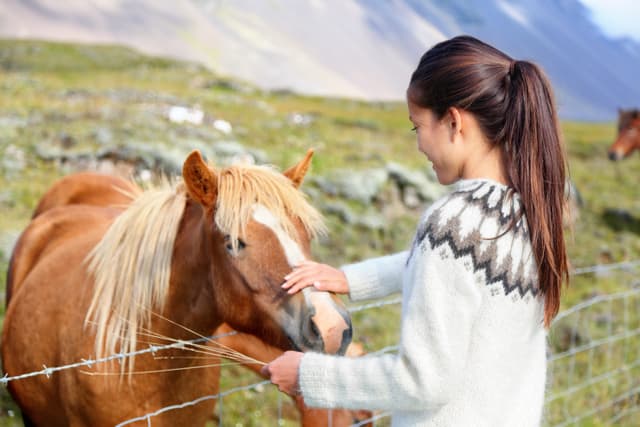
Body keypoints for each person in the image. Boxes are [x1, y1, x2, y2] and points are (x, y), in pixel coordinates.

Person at [262, 35, 569, 426]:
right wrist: (349, 279)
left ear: (454, 122)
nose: (420, 145)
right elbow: (458, 269)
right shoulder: (524, 214)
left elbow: (422, 381)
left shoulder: (451, 225)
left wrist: (308, 374)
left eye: (417, 127)